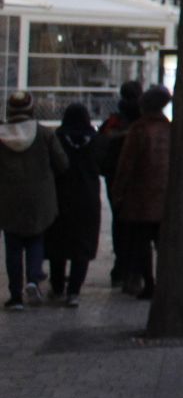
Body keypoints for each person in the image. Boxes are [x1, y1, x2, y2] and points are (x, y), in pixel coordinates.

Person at [1, 92, 68, 309]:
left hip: (7, 199)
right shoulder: (44, 134)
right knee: (35, 241)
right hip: (40, 199)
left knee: (12, 247)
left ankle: (15, 296)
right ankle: (33, 280)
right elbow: (62, 163)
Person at [110, 85, 174, 301]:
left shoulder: (139, 129)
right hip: (165, 196)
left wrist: (118, 192)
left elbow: (126, 164)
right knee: (162, 243)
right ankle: (164, 282)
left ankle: (149, 283)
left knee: (141, 243)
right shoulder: (170, 129)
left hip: (141, 197)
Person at [45, 103, 100, 307]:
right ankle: (74, 291)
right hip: (87, 197)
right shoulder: (94, 140)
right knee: (82, 246)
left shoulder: (57, 138)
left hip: (60, 195)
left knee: (58, 242)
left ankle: (57, 286)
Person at [95, 80, 141, 289]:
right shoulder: (144, 120)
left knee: (119, 222)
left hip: (114, 177)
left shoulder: (113, 121)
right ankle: (134, 269)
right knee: (138, 225)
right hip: (140, 178)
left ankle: (121, 268)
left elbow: (100, 145)